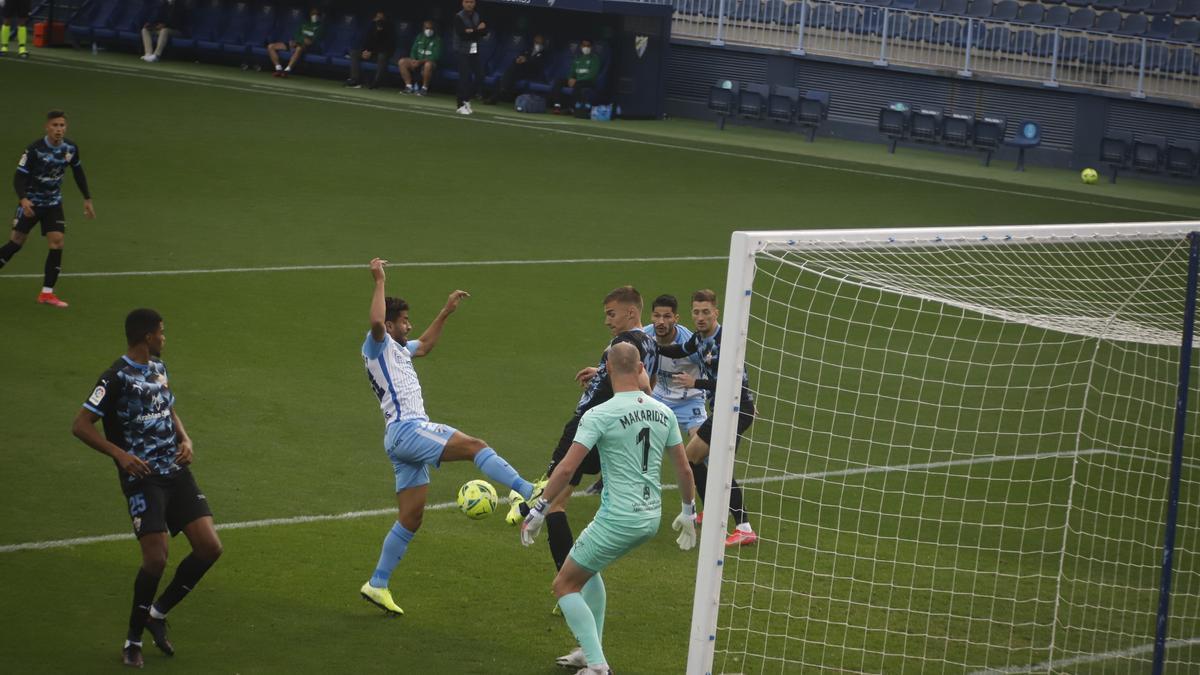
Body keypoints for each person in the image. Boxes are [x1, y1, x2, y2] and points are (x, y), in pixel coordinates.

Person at [358, 258, 542, 616]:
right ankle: (529, 490)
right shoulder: (377, 344)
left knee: (411, 517)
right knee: (476, 446)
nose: (409, 326)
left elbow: (424, 345)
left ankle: (377, 583)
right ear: (392, 324)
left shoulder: (399, 348)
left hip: (400, 440)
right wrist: (379, 280)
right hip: (409, 428)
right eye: (405, 321)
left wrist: (445, 312)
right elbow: (377, 321)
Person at [521, 342, 697, 674]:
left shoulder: (599, 414)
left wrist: (540, 509)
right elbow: (685, 470)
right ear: (642, 368)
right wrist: (689, 513)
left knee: (564, 585)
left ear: (609, 371)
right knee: (587, 572)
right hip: (650, 516)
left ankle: (598, 666)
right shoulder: (664, 412)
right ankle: (590, 652)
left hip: (618, 517)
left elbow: (566, 468)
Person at [71, 309, 223, 668]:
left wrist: (186, 438)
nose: (164, 338)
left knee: (209, 547)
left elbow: (166, 408)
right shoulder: (115, 378)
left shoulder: (158, 368)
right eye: (161, 332)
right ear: (146, 337)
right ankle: (133, 639)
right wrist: (119, 455)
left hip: (176, 470)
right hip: (143, 476)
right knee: (156, 559)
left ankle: (157, 612)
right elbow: (80, 425)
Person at [508, 287, 659, 577]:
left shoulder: (623, 341)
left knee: (554, 500)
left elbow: (642, 383)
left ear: (631, 312)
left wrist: (617, 383)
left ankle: (568, 581)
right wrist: (602, 372)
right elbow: (644, 377)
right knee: (562, 499)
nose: (607, 321)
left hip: (590, 424)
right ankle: (574, 579)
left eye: (611, 314)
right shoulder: (650, 343)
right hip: (618, 431)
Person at [656, 289, 758, 546]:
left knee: (711, 464)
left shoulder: (725, 339)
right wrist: (652, 346)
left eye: (705, 312)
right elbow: (680, 351)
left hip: (734, 409)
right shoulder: (700, 338)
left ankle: (743, 526)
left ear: (716, 312)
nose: (700, 317)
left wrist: (695, 382)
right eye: (696, 312)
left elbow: (731, 382)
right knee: (693, 458)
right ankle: (715, 512)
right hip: (725, 410)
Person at [0, 110, 95, 308]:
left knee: (57, 242)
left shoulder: (70, 148)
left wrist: (87, 198)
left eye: (62, 125)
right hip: (32, 204)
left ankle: (47, 293)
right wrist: (23, 199)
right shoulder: (34, 149)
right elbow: (19, 176)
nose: (58, 129)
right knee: (16, 243)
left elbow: (78, 172)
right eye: (55, 125)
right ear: (47, 127)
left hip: (53, 204)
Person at [484, 34, 548, 104]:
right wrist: (518, 59)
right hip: (521, 71)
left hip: (533, 73)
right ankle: (501, 92)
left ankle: (500, 93)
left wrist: (526, 61)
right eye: (536, 42)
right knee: (511, 71)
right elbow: (519, 56)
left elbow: (538, 64)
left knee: (510, 73)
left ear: (543, 43)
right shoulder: (528, 50)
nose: (537, 44)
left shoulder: (545, 53)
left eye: (539, 43)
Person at [452, 0, 487, 115]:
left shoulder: (477, 15)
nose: (469, 4)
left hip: (474, 49)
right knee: (464, 77)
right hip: (462, 50)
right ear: (463, 3)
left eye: (471, 2)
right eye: (467, 2)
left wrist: (472, 31)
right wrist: (477, 30)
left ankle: (467, 100)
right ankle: (460, 105)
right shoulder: (458, 17)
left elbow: (484, 32)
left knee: (479, 75)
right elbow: (462, 34)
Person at [267, 7, 324, 78]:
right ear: (310, 14)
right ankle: (278, 69)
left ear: (320, 15)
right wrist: (298, 41)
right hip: (295, 43)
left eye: (317, 14)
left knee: (299, 49)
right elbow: (297, 35)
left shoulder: (320, 27)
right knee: (271, 46)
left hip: (306, 47)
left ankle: (287, 70)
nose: (315, 15)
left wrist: (300, 41)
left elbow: (311, 41)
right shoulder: (304, 24)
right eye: (313, 13)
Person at [345, 9, 395, 89]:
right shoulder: (372, 26)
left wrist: (372, 51)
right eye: (377, 17)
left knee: (382, 57)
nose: (378, 19)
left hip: (383, 53)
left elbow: (386, 46)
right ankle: (355, 79)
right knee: (354, 52)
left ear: (385, 19)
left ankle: (376, 82)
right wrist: (366, 50)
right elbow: (368, 40)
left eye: (381, 18)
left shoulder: (390, 29)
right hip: (371, 52)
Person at [551, 39, 600, 116]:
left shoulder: (594, 59)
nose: (586, 47)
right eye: (584, 45)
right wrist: (570, 78)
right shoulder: (578, 58)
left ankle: (572, 108)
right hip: (576, 81)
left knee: (578, 85)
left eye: (588, 46)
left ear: (591, 47)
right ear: (581, 47)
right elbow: (572, 71)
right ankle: (557, 106)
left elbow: (592, 75)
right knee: (559, 81)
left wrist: (576, 80)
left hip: (588, 82)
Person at [398, 19, 440, 96]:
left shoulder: (437, 39)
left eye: (431, 28)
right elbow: (413, 50)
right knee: (402, 62)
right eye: (427, 28)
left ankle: (424, 89)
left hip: (429, 63)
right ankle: (409, 87)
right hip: (418, 61)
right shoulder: (419, 37)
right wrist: (414, 60)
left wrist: (420, 62)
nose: (429, 30)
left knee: (428, 65)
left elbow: (435, 56)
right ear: (423, 28)